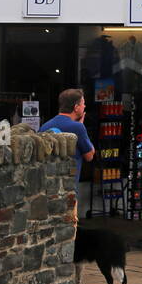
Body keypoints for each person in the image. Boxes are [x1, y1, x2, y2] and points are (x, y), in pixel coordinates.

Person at [39, 88, 96, 222]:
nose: (85, 106)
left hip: (47, 186)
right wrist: (82, 128)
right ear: (76, 107)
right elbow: (90, 156)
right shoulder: (78, 127)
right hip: (68, 187)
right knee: (69, 228)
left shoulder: (45, 126)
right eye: (83, 103)